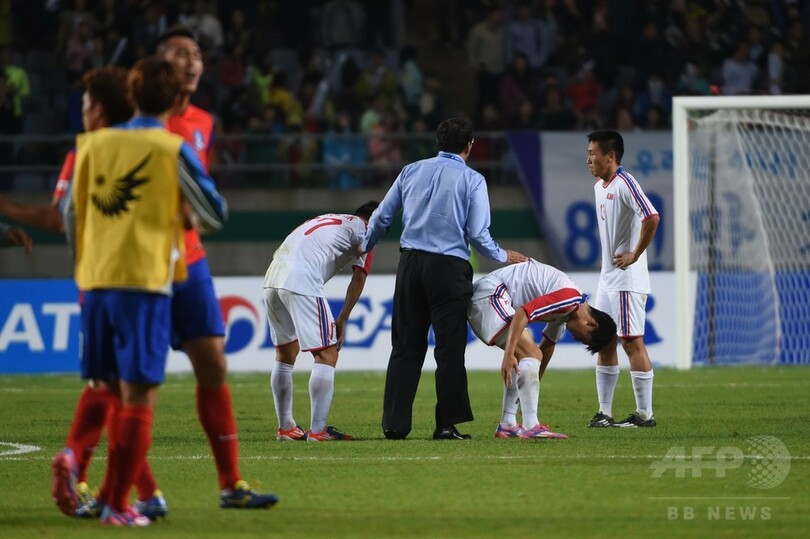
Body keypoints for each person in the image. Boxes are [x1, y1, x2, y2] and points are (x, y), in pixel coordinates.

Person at [59, 56, 228, 527]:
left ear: (131, 96)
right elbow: (214, 214)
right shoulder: (171, 148)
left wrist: (86, 262)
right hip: (145, 281)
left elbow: (70, 215)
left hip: (94, 281)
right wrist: (185, 213)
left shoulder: (91, 144)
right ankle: (117, 505)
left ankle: (75, 457)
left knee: (104, 386)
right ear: (176, 101)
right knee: (137, 395)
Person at [362, 117, 527, 441]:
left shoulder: (410, 171)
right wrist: (501, 254)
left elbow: (382, 215)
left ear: (438, 142)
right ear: (470, 146)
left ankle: (395, 424)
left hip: (410, 264)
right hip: (449, 268)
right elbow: (477, 233)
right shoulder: (473, 179)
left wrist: (365, 245)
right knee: (449, 348)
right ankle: (446, 424)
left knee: (405, 345)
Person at [264, 201, 379, 442]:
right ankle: (318, 431)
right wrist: (343, 318)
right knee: (327, 353)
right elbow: (359, 277)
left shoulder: (327, 218)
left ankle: (286, 428)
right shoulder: (367, 229)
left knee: (285, 353)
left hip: (273, 276)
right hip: (302, 279)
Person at [468, 259, 616, 439]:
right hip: (490, 294)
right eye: (583, 338)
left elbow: (548, 345)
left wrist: (530, 388)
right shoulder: (568, 298)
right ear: (592, 324)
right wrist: (509, 354)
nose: (576, 338)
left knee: (528, 357)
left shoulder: (568, 310)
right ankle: (531, 426)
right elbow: (523, 312)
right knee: (530, 353)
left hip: (492, 295)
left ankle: (508, 425)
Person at [585, 130, 660, 428]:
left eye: (593, 154)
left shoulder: (626, 183)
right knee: (603, 339)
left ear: (610, 156)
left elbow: (652, 217)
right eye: (588, 154)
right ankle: (604, 412)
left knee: (631, 341)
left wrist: (635, 254)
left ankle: (645, 414)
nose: (589, 160)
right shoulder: (599, 187)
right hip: (608, 278)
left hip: (627, 279)